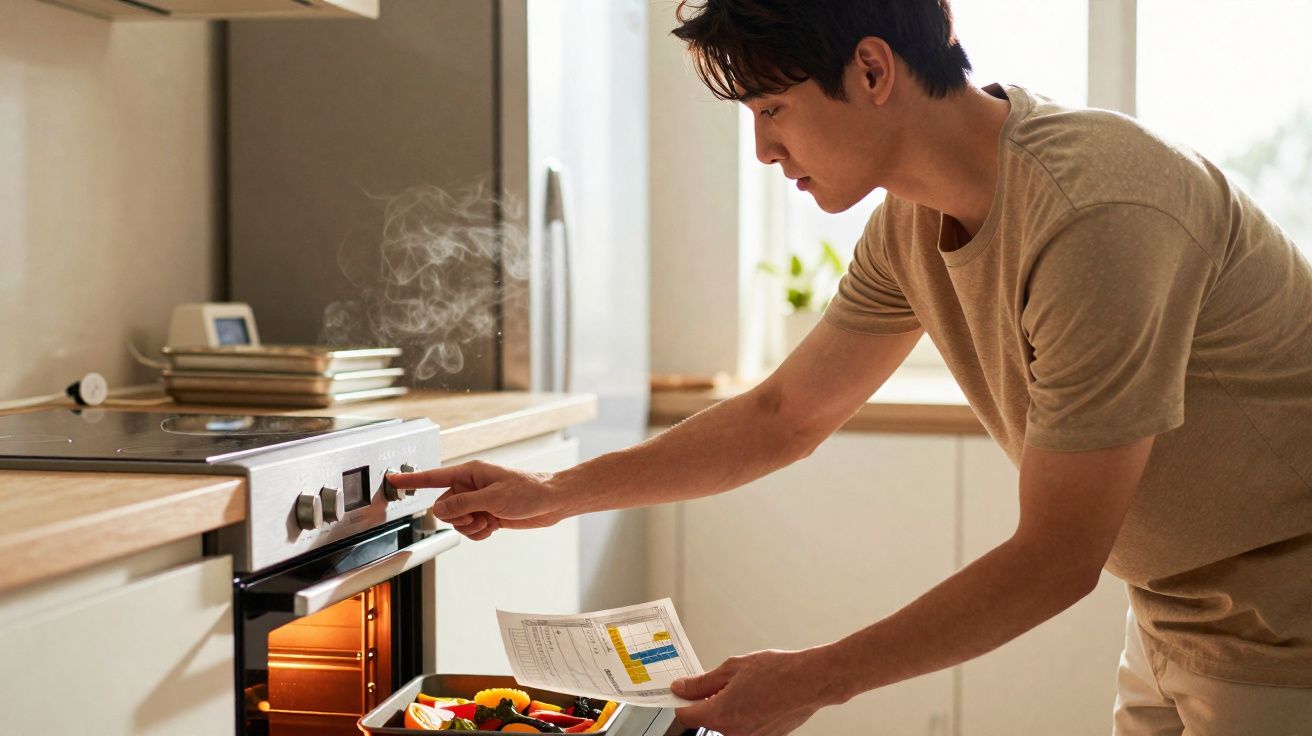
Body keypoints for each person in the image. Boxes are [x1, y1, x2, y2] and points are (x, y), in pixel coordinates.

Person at [389, 1, 1312, 733]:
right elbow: (783, 416)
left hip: (1285, 620)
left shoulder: (1096, 214)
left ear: (872, 69)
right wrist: (550, 493)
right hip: (1173, 607)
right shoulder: (909, 225)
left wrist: (814, 681)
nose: (763, 148)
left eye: (772, 107)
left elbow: (1056, 559)